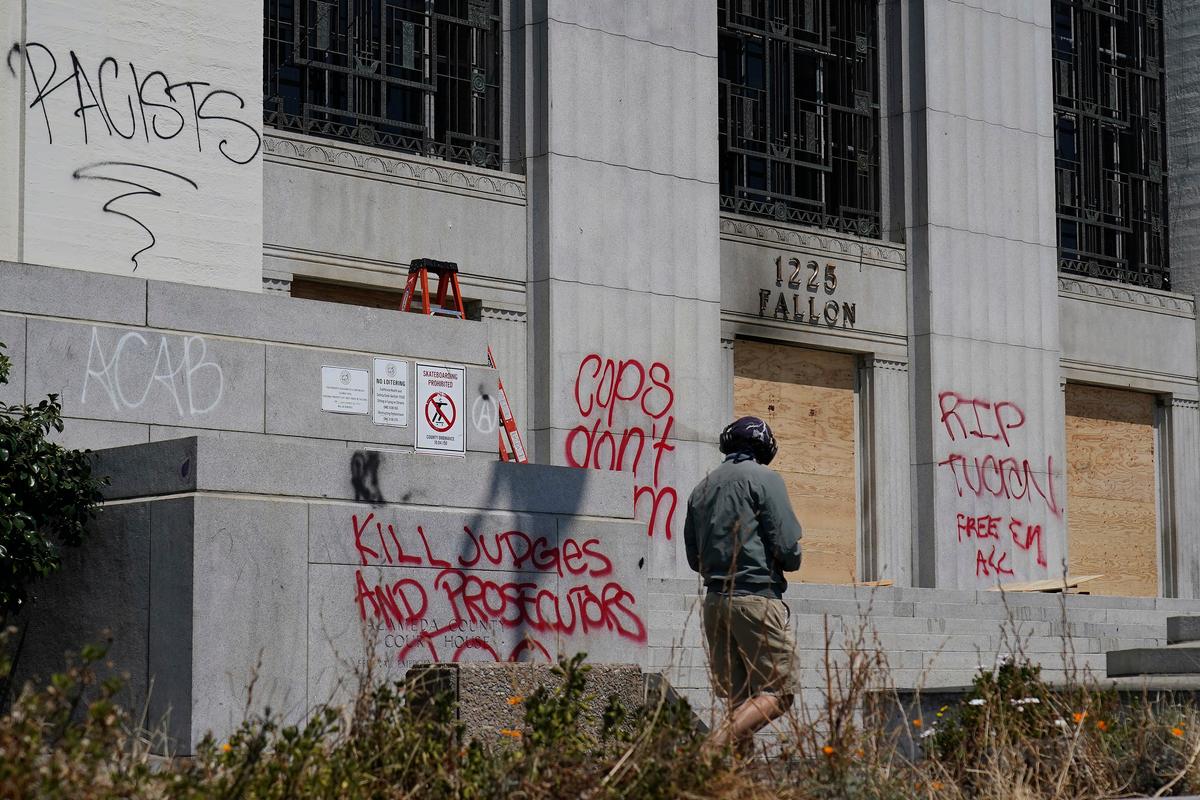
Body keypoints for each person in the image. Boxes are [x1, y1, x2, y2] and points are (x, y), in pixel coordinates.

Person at [683, 416, 803, 750]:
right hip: (756, 598)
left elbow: (695, 558)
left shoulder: (701, 488)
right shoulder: (765, 479)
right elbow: (787, 546)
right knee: (779, 692)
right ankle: (709, 749)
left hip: (715, 602)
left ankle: (734, 782)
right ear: (764, 447)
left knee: (739, 704)